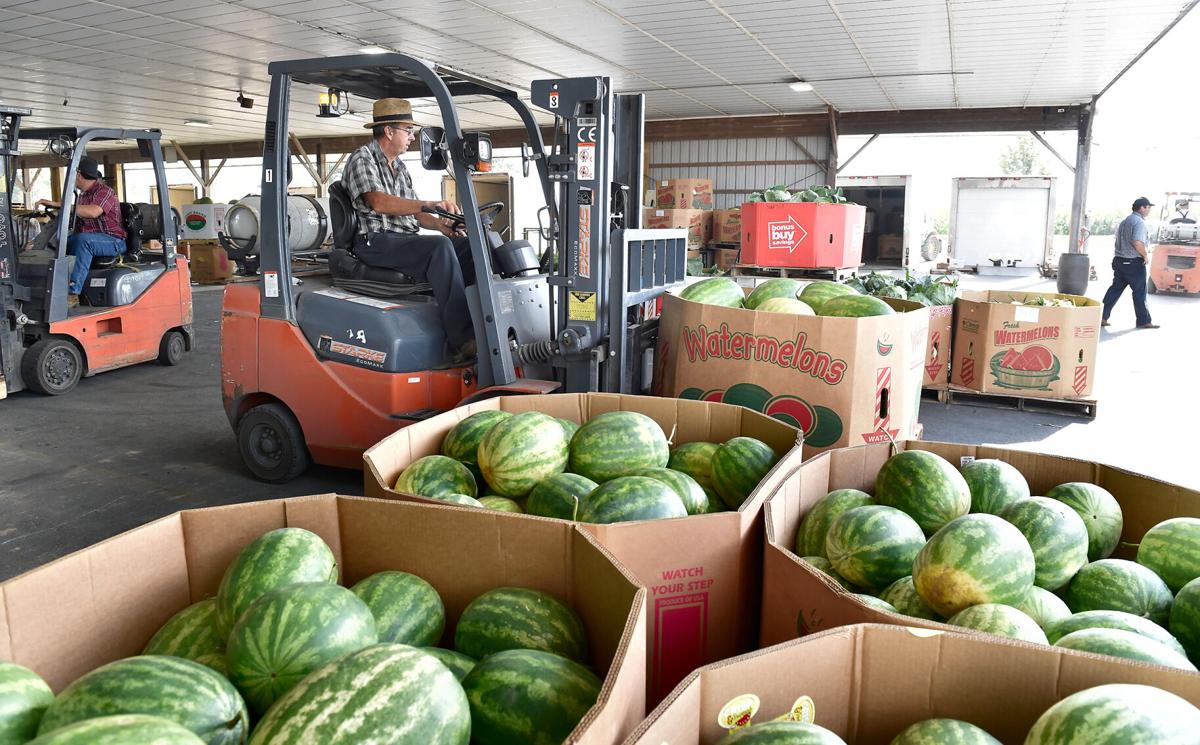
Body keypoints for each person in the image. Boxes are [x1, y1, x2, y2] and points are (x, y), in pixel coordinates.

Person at [342, 98, 478, 363]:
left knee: (471, 246)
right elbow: (379, 202)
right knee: (438, 249)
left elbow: (415, 215)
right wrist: (428, 203)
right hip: (374, 242)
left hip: (401, 239)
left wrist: (442, 225)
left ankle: (482, 325)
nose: (413, 137)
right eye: (408, 130)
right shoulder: (363, 159)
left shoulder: (400, 168)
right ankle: (462, 340)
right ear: (389, 131)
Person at [36, 156, 126, 307]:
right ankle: (47, 285)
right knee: (59, 241)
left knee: (83, 241)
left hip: (113, 240)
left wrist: (58, 205)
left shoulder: (105, 192)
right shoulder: (83, 196)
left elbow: (93, 212)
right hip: (93, 238)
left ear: (78, 174)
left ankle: (72, 292)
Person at [1100, 197, 1159, 330]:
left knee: (1114, 290)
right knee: (1139, 292)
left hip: (1119, 261)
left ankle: (1101, 317)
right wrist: (1145, 255)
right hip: (1133, 262)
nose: (1149, 210)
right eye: (1148, 207)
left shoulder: (1124, 221)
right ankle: (1143, 321)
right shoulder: (1139, 222)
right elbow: (1137, 242)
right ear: (1142, 208)